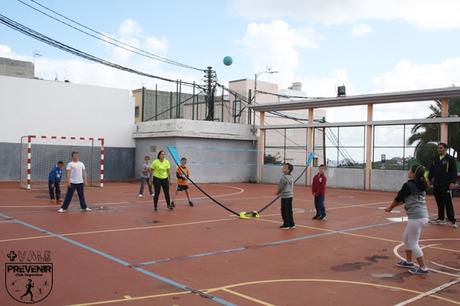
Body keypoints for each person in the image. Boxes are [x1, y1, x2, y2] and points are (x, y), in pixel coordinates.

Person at [385, 164, 429, 275]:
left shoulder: (408, 185)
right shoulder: (421, 185)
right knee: (406, 238)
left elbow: (398, 198)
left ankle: (423, 268)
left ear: (413, 174)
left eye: (410, 170)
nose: (408, 172)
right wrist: (392, 207)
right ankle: (409, 261)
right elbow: (405, 200)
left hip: (416, 217)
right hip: (421, 216)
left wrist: (390, 207)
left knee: (413, 243)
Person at [428, 142, 458, 228]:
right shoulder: (435, 158)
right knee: (439, 201)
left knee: (448, 202)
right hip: (437, 183)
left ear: (445, 149)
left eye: (441, 148)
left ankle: (452, 221)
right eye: (438, 148)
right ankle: (441, 219)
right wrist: (429, 180)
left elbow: (454, 172)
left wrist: (452, 182)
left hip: (446, 184)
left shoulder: (450, 159)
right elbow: (431, 170)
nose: (439, 149)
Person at [277, 163, 295, 229]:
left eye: (285, 168)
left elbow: (281, 187)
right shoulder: (291, 177)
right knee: (289, 210)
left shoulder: (283, 178)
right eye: (283, 167)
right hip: (290, 196)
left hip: (285, 196)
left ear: (288, 170)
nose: (283, 168)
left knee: (284, 210)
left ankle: (286, 224)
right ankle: (291, 223)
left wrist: (278, 192)